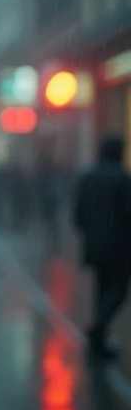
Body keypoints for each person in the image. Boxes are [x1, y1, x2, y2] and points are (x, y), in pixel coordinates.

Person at [74, 134, 131, 362]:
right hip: (118, 246)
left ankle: (99, 342)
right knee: (118, 291)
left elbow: (77, 214)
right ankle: (98, 330)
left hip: (95, 244)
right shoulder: (122, 179)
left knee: (102, 290)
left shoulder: (88, 177)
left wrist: (91, 232)